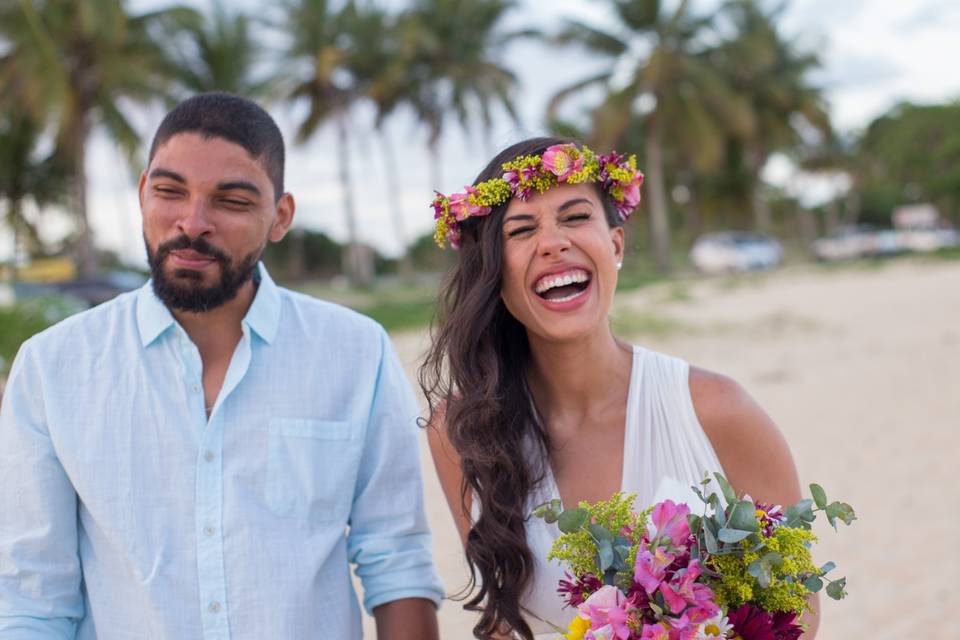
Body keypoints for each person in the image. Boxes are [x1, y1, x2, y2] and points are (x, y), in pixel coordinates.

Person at [0, 92, 442, 639]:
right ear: (142, 194)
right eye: (169, 191)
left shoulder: (356, 353)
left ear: (280, 217)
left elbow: (397, 561)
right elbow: (32, 596)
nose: (192, 222)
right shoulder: (52, 367)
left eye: (230, 201)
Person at [420, 137, 818, 639]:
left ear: (616, 245)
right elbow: (502, 624)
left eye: (575, 217)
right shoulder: (461, 434)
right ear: (493, 273)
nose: (552, 242)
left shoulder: (717, 410)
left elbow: (798, 611)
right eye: (521, 230)